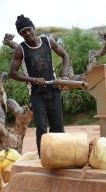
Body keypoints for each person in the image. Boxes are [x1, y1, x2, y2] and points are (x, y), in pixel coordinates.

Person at [9, 14, 71, 156]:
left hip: (54, 90)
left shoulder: (48, 42)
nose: (27, 33)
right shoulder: (21, 49)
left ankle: (59, 157)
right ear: (20, 35)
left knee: (58, 128)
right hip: (37, 95)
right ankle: (44, 158)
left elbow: (65, 55)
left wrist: (65, 75)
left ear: (34, 28)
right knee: (42, 128)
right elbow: (12, 73)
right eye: (23, 32)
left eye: (29, 29)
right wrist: (33, 79)